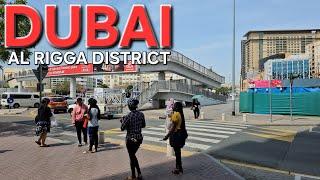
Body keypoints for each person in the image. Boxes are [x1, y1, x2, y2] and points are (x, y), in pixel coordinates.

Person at [120, 98, 146, 180]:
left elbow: (122, 128)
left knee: (132, 157)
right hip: (139, 139)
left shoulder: (128, 116)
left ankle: (134, 176)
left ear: (130, 107)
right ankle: (139, 174)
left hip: (130, 139)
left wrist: (122, 121)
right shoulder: (141, 114)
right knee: (133, 156)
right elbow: (143, 125)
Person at [163, 102, 188, 175]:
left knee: (177, 153)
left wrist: (167, 136)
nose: (172, 106)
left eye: (174, 105)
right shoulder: (180, 114)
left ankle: (178, 168)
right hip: (180, 135)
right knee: (178, 153)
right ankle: (179, 168)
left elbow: (173, 127)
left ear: (176, 107)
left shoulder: (176, 114)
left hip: (176, 135)